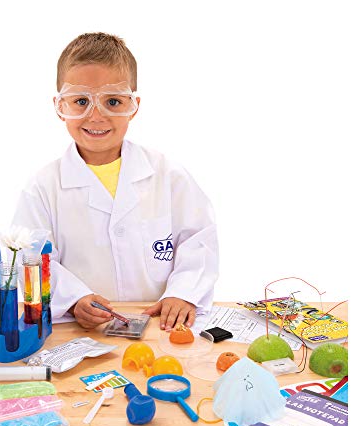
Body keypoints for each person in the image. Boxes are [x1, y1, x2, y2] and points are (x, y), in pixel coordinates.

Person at [13, 32, 218, 332]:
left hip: (159, 326)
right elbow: (30, 259)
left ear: (134, 106)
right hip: (82, 330)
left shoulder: (168, 175)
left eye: (112, 101)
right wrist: (74, 299)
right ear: (60, 107)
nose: (96, 116)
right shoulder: (43, 188)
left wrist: (183, 293)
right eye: (81, 101)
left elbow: (199, 240)